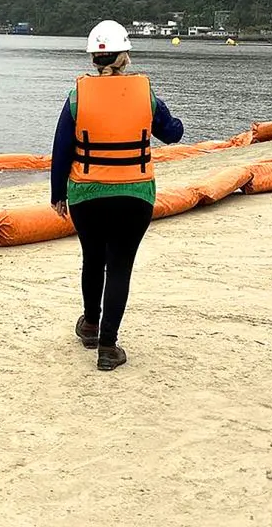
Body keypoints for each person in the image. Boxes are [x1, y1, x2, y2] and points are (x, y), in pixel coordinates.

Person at [50, 19, 184, 371]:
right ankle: (108, 348)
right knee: (120, 265)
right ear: (125, 55)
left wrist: (57, 194)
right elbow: (171, 134)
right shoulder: (145, 93)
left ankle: (91, 325)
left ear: (93, 58)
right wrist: (173, 122)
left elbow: (62, 147)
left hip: (86, 195)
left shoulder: (77, 95)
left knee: (92, 258)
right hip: (135, 196)